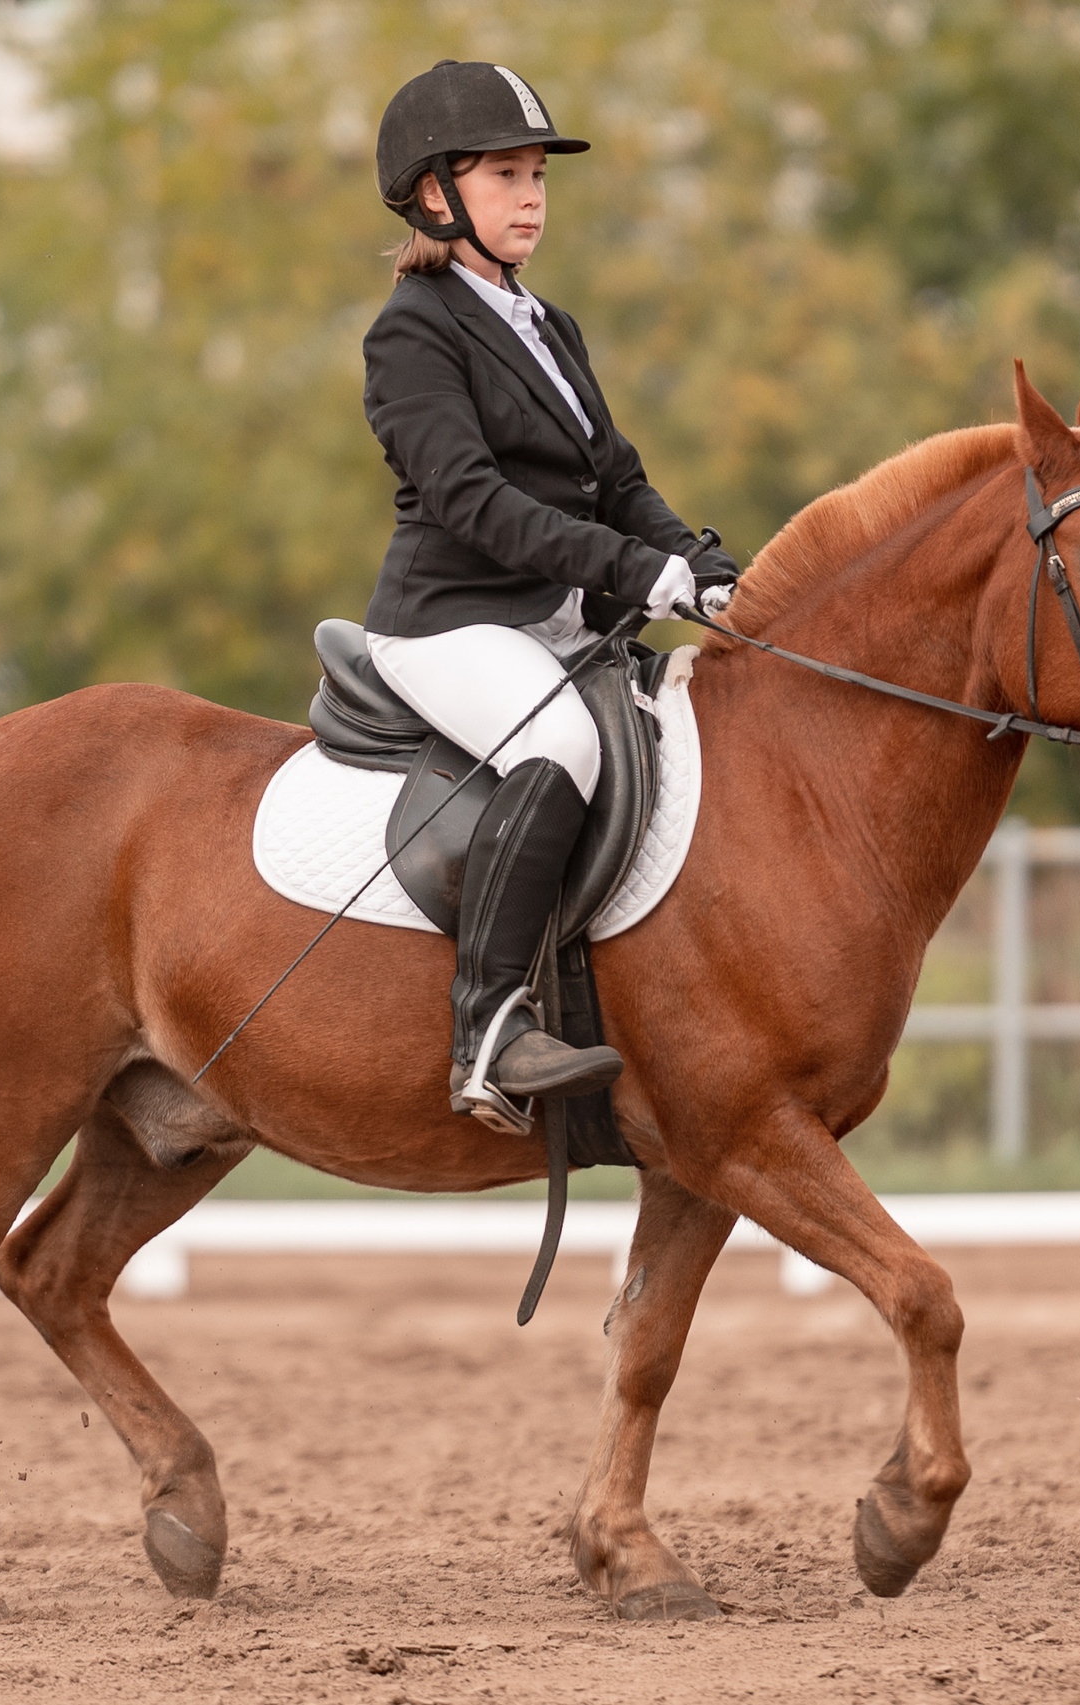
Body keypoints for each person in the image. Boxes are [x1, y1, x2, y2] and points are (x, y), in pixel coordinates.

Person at [362, 60, 740, 1129]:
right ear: (436, 194)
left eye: (538, 176)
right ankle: (487, 1028)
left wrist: (701, 565)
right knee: (561, 742)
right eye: (506, 176)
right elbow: (471, 500)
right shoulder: (411, 331)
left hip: (556, 620)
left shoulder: (547, 324)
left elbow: (618, 480)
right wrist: (632, 570)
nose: (531, 198)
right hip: (451, 623)